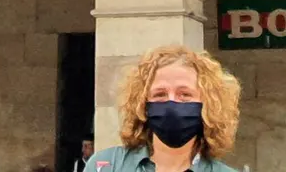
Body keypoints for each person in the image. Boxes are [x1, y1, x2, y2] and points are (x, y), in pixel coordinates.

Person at [85, 45, 241, 172]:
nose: (171, 103)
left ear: (209, 105)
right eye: (160, 94)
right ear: (142, 104)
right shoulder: (107, 166)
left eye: (184, 94)